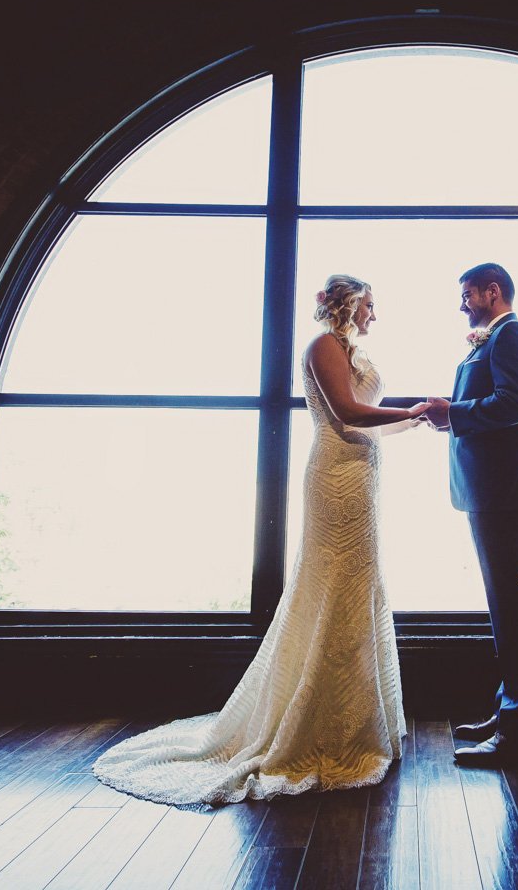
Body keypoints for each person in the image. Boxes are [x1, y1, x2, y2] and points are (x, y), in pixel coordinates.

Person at [91, 274, 428, 805]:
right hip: (336, 477)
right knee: (333, 585)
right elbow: (344, 414)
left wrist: (416, 423)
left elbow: (370, 425)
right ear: (345, 304)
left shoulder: (348, 350)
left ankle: (359, 720)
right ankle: (314, 723)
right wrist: (411, 409)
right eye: (369, 305)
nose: (374, 315)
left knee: (359, 585)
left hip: (364, 474)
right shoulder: (321, 346)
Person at [422, 263, 518, 767]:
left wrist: (452, 413)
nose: (462, 305)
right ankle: (512, 715)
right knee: (509, 614)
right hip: (492, 491)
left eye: (467, 295)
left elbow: (515, 404)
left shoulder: (515, 335)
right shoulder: (493, 338)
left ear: (492, 292)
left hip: (508, 491)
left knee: (516, 615)